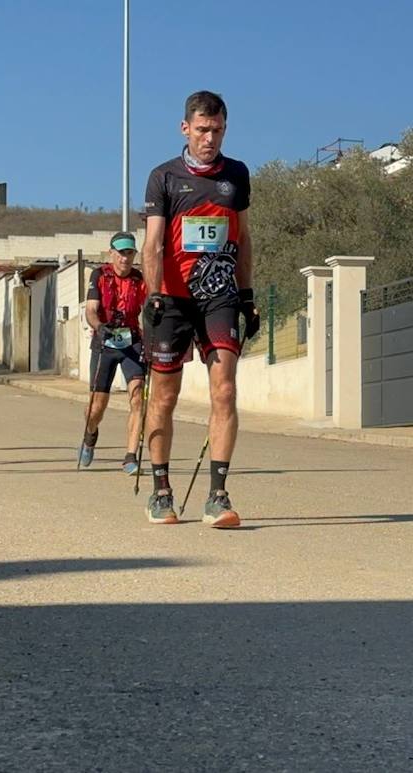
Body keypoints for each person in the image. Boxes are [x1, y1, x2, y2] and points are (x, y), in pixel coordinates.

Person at [139, 90, 259, 528]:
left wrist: (247, 295)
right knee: (165, 396)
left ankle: (218, 495)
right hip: (171, 297)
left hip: (220, 296)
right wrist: (153, 294)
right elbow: (152, 243)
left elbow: (242, 237)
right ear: (185, 128)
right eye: (203, 129)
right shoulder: (163, 177)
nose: (211, 138)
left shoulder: (237, 175)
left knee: (224, 389)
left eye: (218, 129)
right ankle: (161, 490)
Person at [79, 231, 148, 474]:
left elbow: (148, 311)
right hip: (105, 343)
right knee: (97, 407)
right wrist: (99, 326)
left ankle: (130, 456)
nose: (125, 258)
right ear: (112, 254)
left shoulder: (140, 279)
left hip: (132, 342)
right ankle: (90, 433)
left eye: (130, 253)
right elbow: (91, 309)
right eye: (121, 253)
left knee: (138, 397)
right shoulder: (99, 275)